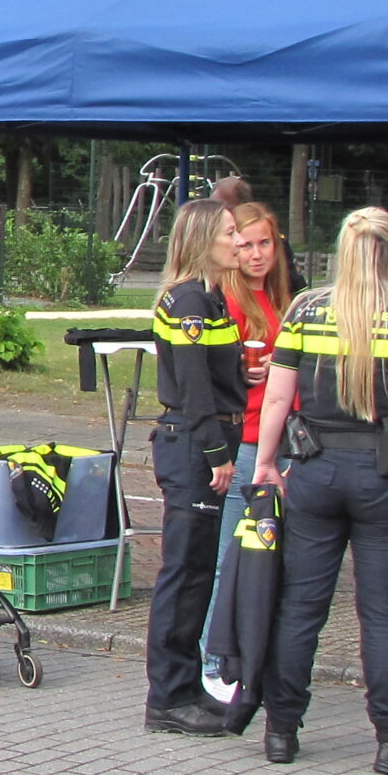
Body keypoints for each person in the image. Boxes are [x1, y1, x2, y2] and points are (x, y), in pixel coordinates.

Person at [253, 207, 388, 774]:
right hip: (384, 474)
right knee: (382, 612)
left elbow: (278, 399)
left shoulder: (306, 310)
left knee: (301, 604)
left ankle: (281, 730)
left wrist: (266, 463)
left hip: (316, 469)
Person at [142, 197, 245, 736]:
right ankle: (166, 696)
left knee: (199, 569)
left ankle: (187, 686)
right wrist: (216, 453)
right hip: (193, 445)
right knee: (182, 571)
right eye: (230, 232)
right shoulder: (188, 303)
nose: (239, 241)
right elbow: (194, 386)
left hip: (207, 433)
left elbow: (214, 374)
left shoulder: (212, 299)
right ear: (204, 238)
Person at [202, 198, 291, 692]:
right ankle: (215, 663)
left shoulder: (281, 300)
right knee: (231, 559)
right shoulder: (227, 300)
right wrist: (244, 370)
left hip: (280, 441)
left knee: (267, 560)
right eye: (246, 243)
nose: (254, 254)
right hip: (246, 439)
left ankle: (250, 660)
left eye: (264, 243)